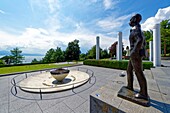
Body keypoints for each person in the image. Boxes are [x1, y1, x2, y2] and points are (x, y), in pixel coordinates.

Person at [127, 14, 149, 100]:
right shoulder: (137, 29)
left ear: (135, 19)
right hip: (134, 53)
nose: (130, 21)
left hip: (135, 54)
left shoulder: (136, 28)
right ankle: (129, 86)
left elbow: (140, 40)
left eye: (131, 19)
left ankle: (143, 93)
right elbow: (144, 42)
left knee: (138, 72)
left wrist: (135, 51)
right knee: (129, 70)